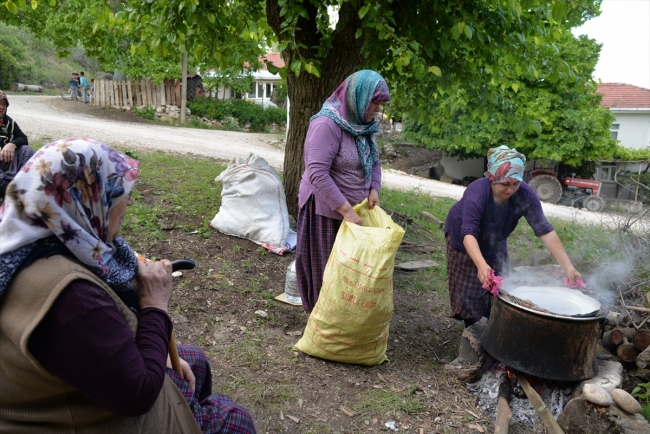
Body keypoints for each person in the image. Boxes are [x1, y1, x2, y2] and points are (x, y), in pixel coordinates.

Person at [0, 138, 257, 433]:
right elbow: (137, 396)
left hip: (58, 388)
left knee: (194, 361)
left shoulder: (36, 239)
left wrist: (160, 353)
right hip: (78, 417)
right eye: (121, 193)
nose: (129, 204)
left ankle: (195, 411)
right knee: (236, 421)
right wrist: (155, 303)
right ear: (87, 197)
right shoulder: (70, 296)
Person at [444, 145, 583, 327]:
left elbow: (545, 230)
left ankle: (491, 320)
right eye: (505, 184)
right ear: (492, 178)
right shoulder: (477, 192)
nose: (510, 190)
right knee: (469, 289)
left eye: (515, 184)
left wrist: (568, 267)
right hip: (464, 239)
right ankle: (473, 327)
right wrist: (480, 264)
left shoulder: (525, 195)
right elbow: (468, 232)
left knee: (500, 285)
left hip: (496, 239)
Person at [295, 69, 391, 313]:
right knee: (326, 273)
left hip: (354, 212)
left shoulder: (363, 125)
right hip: (324, 212)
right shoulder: (326, 124)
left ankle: (344, 324)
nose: (378, 108)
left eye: (380, 103)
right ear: (357, 97)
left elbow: (375, 161)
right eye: (375, 101)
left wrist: (373, 189)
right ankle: (323, 326)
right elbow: (317, 173)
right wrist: (347, 211)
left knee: (349, 275)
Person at [0, 92, 34, 200]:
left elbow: (23, 138)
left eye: (4, 104)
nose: (1, 107)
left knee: (26, 150)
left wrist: (12, 144)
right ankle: (13, 195)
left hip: (6, 161)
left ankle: (29, 185)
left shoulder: (8, 122)